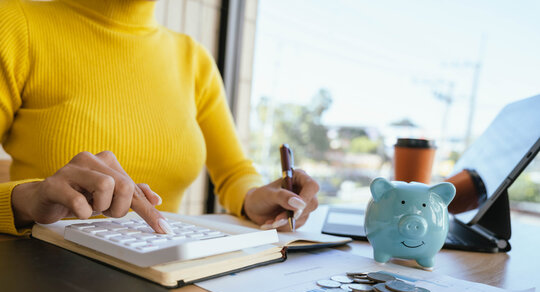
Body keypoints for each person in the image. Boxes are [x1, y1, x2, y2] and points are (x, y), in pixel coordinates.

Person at [0, 0, 319, 236]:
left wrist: (254, 198)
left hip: (167, 270)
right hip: (45, 272)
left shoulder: (193, 58)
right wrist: (26, 199)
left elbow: (234, 172)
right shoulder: (14, 24)